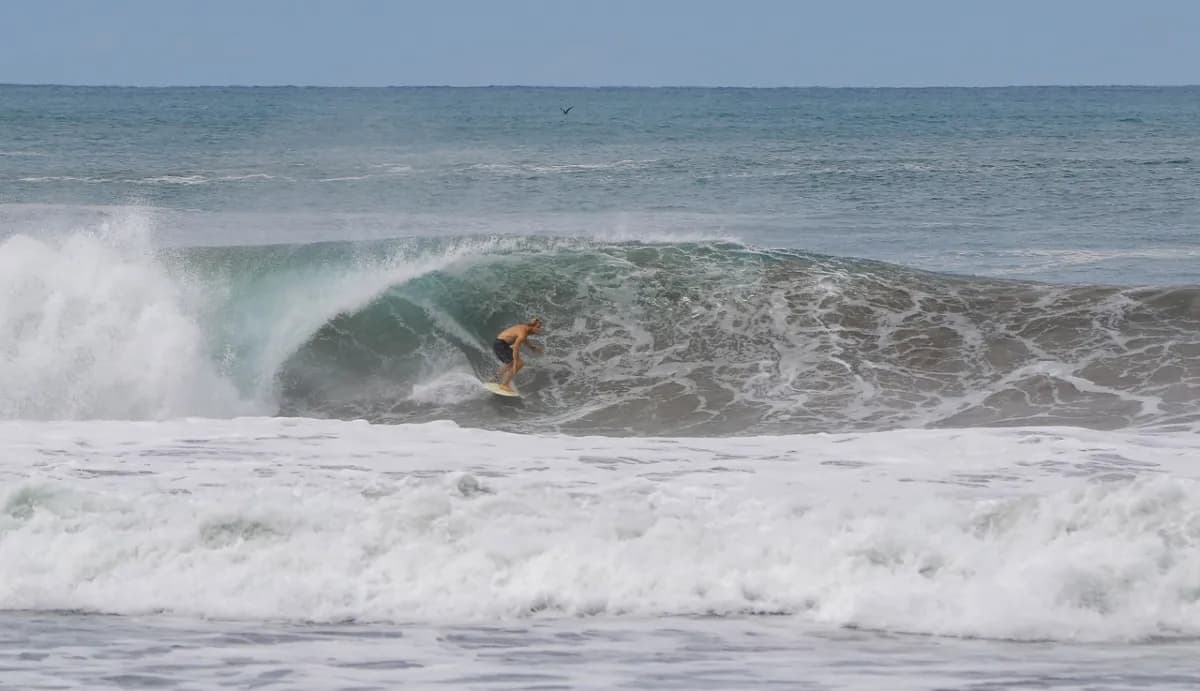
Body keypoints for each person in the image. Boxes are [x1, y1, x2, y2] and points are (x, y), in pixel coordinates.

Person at [493, 318, 543, 392]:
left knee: (511, 363)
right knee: (518, 364)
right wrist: (516, 361)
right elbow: (516, 347)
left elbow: (524, 339)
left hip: (501, 344)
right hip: (500, 345)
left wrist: (532, 348)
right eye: (538, 327)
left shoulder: (524, 328)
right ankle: (504, 385)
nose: (539, 330)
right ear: (532, 326)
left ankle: (494, 379)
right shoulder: (523, 333)